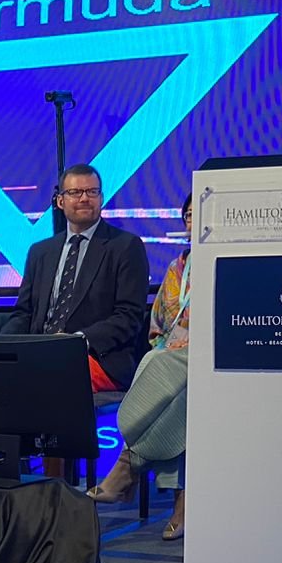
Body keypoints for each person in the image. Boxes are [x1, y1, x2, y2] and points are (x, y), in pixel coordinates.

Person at [88, 193, 192, 540]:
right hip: (172, 355)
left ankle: (129, 466)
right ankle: (181, 500)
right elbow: (158, 319)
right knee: (174, 391)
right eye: (188, 215)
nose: (193, 221)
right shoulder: (177, 266)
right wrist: (165, 341)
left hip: (209, 355)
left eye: (201, 214)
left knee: (173, 373)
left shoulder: (230, 263)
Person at [3, 164, 149, 395]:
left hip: (96, 356)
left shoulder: (125, 246)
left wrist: (76, 342)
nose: (84, 199)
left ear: (101, 198)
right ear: (61, 201)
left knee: (43, 379)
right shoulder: (41, 252)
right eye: (75, 192)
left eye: (92, 192)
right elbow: (24, 313)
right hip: (38, 351)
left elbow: (129, 316)